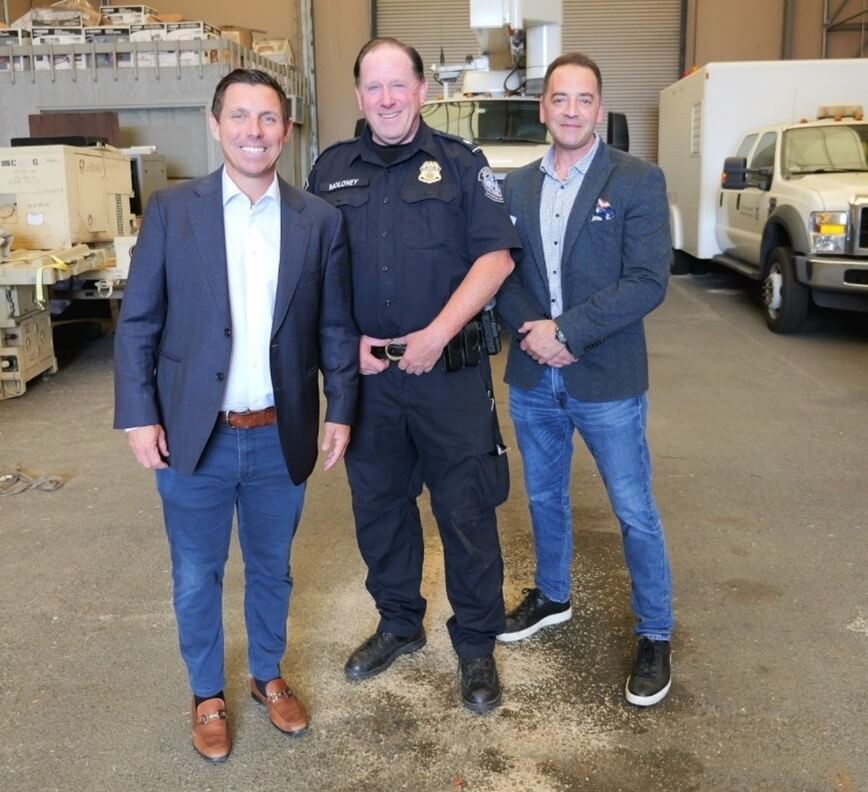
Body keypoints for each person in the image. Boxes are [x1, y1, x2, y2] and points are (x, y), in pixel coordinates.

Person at [113, 68, 358, 761]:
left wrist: (339, 409)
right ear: (214, 124)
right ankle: (205, 694)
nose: (255, 132)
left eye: (269, 119)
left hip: (280, 432)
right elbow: (139, 322)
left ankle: (267, 676)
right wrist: (138, 414)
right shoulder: (172, 211)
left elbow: (336, 327)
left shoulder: (319, 221)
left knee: (273, 567)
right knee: (196, 571)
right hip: (196, 436)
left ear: (287, 129)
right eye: (241, 117)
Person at [307, 37, 520, 714]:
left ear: (423, 91)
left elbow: (497, 261)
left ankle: (477, 643)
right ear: (359, 96)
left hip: (449, 379)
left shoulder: (460, 165)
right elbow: (315, 274)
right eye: (374, 87)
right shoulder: (331, 171)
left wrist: (436, 335)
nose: (388, 98)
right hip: (371, 383)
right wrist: (347, 346)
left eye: (400, 85)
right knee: (380, 510)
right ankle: (398, 624)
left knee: (466, 512)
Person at [495, 52, 674, 707]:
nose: (571, 110)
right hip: (532, 376)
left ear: (599, 109)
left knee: (634, 510)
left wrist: (565, 333)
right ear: (542, 108)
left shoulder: (636, 180)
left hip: (607, 380)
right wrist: (533, 334)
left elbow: (647, 281)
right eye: (559, 99)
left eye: (584, 99)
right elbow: (504, 275)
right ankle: (552, 594)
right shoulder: (514, 187)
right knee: (543, 497)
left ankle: (655, 633)